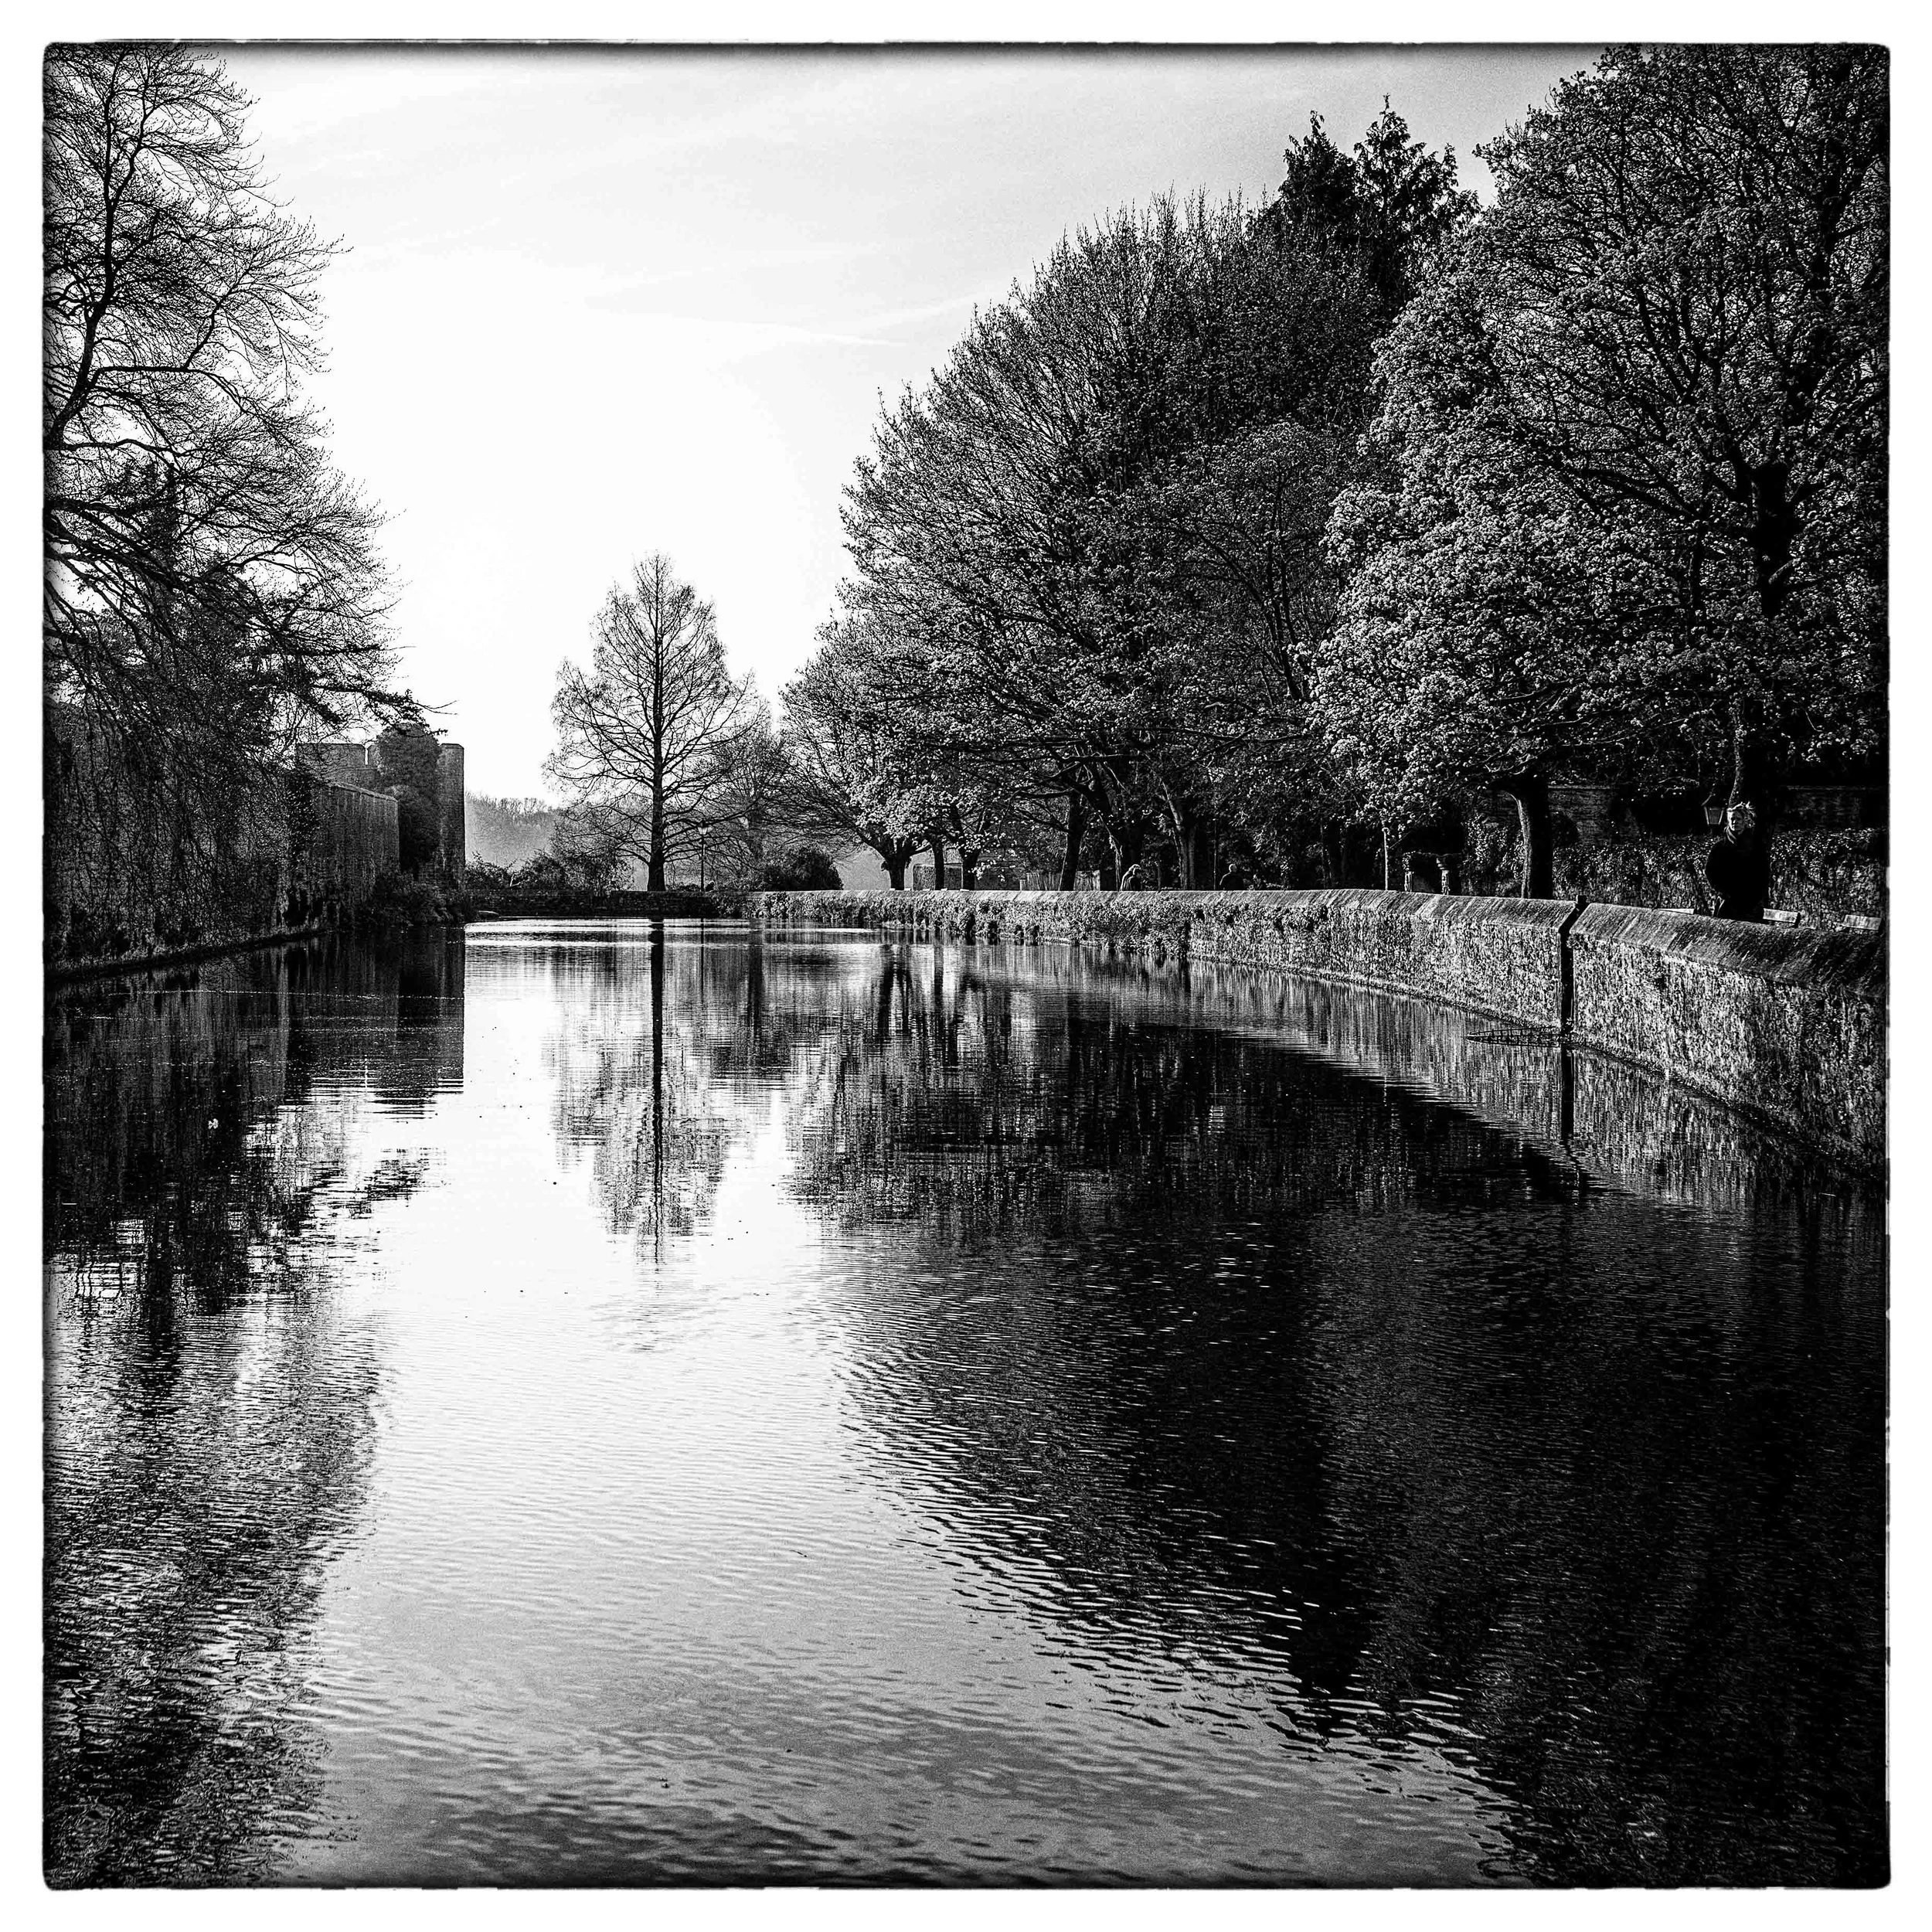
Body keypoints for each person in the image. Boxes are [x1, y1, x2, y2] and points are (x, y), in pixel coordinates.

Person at [1705, 801, 1771, 921]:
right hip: (1727, 903)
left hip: (1751, 904)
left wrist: (1755, 896)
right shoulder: (1719, 847)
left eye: (1738, 819)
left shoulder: (1757, 846)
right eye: (1732, 819)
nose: (1734, 822)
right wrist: (1723, 893)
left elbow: (1764, 873)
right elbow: (1710, 872)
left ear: (1745, 821)